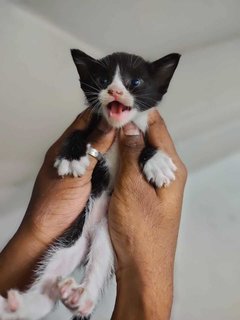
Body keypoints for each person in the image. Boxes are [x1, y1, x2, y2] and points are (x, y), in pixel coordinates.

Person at [0, 108, 187, 319]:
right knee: (63, 255)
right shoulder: (102, 123)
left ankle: (87, 294)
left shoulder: (140, 126)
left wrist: (149, 156)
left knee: (101, 246)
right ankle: (40, 304)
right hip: (87, 211)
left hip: (105, 220)